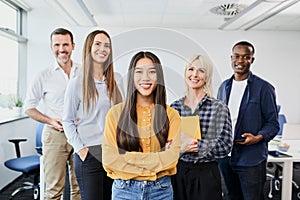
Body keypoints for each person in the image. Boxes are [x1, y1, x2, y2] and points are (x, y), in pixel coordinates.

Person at [102, 51, 181, 200]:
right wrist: (156, 162)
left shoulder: (171, 115)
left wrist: (126, 157)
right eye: (139, 72)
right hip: (124, 191)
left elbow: (171, 158)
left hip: (161, 191)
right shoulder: (115, 114)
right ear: (132, 76)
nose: (145, 78)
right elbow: (110, 159)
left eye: (152, 72)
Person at [62, 30, 123, 200]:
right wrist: (81, 150)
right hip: (89, 153)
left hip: (113, 152)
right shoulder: (77, 83)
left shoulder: (117, 80)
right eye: (98, 44)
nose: (102, 49)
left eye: (107, 46)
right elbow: (67, 121)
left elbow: (122, 116)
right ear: (89, 48)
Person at [217, 41, 279, 200]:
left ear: (252, 60)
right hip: (226, 156)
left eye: (246, 57)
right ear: (231, 58)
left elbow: (273, 124)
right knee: (231, 196)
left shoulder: (264, 88)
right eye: (237, 56)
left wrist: (258, 137)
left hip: (251, 158)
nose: (240, 61)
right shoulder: (224, 87)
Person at [24, 28, 81, 200]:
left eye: (65, 44)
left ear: (73, 46)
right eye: (57, 45)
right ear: (51, 47)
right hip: (56, 135)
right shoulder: (43, 75)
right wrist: (49, 120)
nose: (61, 49)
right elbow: (29, 107)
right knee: (53, 190)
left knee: (79, 188)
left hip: (81, 135)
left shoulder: (84, 71)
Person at [170, 55, 232, 200]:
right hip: (179, 172)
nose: (195, 74)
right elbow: (168, 144)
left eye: (201, 70)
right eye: (191, 69)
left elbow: (225, 146)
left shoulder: (218, 108)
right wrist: (178, 147)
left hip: (206, 174)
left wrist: (197, 145)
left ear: (207, 75)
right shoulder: (174, 107)